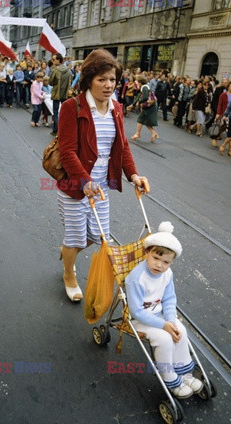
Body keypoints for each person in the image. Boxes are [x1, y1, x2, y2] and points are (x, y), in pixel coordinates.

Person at [57, 49, 149, 302]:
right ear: (89, 80)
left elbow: (123, 146)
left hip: (101, 187)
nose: (108, 85)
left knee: (99, 237)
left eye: (113, 80)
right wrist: (84, 181)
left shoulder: (116, 109)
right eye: (102, 80)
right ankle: (68, 273)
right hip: (74, 185)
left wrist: (133, 175)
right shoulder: (71, 107)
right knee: (75, 238)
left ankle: (67, 250)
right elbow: (67, 151)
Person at [125, 221, 204, 399]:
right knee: (164, 339)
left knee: (180, 330)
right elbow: (137, 311)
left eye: (166, 262)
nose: (160, 265)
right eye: (156, 258)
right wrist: (163, 326)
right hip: (141, 320)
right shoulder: (137, 278)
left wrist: (170, 321)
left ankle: (184, 373)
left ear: (172, 262)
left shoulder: (167, 274)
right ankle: (170, 378)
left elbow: (169, 299)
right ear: (147, 253)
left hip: (160, 315)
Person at [49, 53, 73, 136]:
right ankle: (64, 130)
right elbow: (70, 81)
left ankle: (56, 130)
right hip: (65, 94)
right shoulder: (68, 70)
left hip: (57, 94)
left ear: (58, 60)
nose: (53, 61)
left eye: (54, 59)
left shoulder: (55, 70)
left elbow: (51, 82)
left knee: (55, 112)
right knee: (64, 113)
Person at [131, 76, 159, 142]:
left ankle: (137, 134)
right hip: (151, 105)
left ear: (140, 82)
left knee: (140, 119)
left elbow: (145, 97)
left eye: (137, 81)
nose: (137, 83)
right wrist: (133, 104)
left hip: (149, 106)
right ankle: (153, 133)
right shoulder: (145, 87)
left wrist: (139, 102)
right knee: (146, 121)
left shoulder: (144, 87)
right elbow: (139, 97)